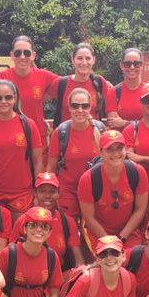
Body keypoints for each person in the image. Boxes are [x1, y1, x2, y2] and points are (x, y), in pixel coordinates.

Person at [0, 80, 43, 216]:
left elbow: (38, 162)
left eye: (8, 97)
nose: (3, 101)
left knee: (20, 230)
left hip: (22, 194)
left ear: (15, 98)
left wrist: (38, 193)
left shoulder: (28, 124)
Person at [78, 130, 149, 254]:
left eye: (119, 148)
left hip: (129, 230)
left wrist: (122, 237)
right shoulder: (88, 179)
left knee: (132, 258)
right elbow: (89, 218)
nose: (115, 154)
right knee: (106, 261)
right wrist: (109, 242)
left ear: (125, 149)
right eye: (109, 149)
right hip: (98, 232)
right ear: (101, 152)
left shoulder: (137, 172)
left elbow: (140, 209)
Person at [47, 86, 105, 217]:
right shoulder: (61, 132)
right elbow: (51, 166)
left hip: (94, 190)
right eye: (75, 106)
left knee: (91, 227)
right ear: (69, 107)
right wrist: (49, 192)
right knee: (68, 227)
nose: (80, 110)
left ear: (90, 107)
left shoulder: (100, 129)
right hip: (67, 192)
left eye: (84, 106)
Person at [9, 172, 86, 271]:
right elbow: (11, 253)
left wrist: (80, 273)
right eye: (42, 191)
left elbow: (79, 260)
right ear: (35, 193)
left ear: (58, 193)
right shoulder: (23, 220)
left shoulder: (68, 222)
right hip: (26, 274)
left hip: (58, 274)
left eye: (52, 192)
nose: (47, 196)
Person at [0, 35, 58, 143]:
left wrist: (44, 97)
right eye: (17, 53)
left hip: (38, 138)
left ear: (33, 55)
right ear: (12, 55)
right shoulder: (0, 78)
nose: (22, 57)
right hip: (10, 139)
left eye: (26, 53)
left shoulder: (44, 76)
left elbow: (66, 84)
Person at [47, 42, 117, 126]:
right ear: (73, 60)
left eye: (88, 58)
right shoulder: (61, 83)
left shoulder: (99, 82)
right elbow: (38, 101)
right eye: (80, 58)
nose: (84, 62)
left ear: (94, 60)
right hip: (66, 133)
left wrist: (125, 122)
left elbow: (115, 105)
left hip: (94, 133)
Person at [109, 47, 146, 127]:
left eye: (136, 64)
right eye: (127, 64)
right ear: (121, 66)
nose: (132, 67)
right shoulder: (113, 92)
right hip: (120, 135)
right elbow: (113, 123)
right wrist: (140, 124)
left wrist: (125, 123)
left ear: (142, 65)